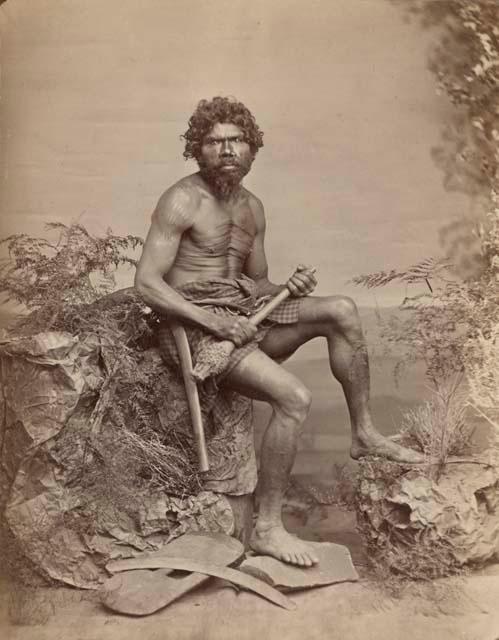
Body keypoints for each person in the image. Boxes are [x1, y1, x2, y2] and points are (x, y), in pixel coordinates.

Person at [135, 96, 423, 568]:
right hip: (196, 329)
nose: (226, 150)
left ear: (252, 149)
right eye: (214, 141)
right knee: (295, 397)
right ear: (197, 149)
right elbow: (146, 282)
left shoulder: (252, 208)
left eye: (236, 140)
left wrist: (291, 288)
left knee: (342, 310)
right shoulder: (182, 199)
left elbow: (260, 285)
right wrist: (212, 320)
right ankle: (268, 528)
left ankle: (364, 433)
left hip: (245, 316)